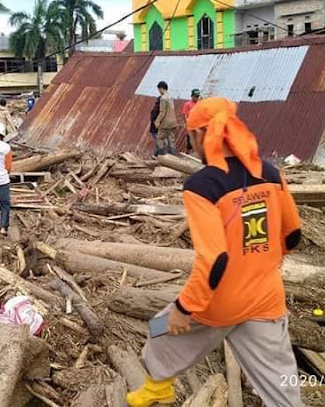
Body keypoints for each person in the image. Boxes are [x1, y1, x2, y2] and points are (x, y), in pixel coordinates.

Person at [127, 98, 303, 407]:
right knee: (282, 389)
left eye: (191, 136)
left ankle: (158, 387)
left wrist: (184, 307)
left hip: (218, 303)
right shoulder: (271, 173)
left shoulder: (202, 185)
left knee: (158, 327)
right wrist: (259, 264)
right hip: (267, 299)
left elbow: (215, 261)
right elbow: (293, 234)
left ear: (201, 136)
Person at [154, 81, 177, 155]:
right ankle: (173, 157)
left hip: (165, 123)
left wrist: (157, 121)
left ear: (161, 88)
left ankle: (160, 157)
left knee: (160, 138)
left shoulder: (163, 98)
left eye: (159, 89)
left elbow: (162, 112)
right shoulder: (171, 97)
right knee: (172, 141)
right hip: (173, 122)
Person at [181, 89, 201, 153]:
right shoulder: (187, 104)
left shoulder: (200, 104)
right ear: (191, 96)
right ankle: (187, 154)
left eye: (197, 96)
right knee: (190, 142)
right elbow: (185, 115)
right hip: (191, 126)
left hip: (198, 126)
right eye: (195, 96)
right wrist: (187, 125)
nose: (196, 98)